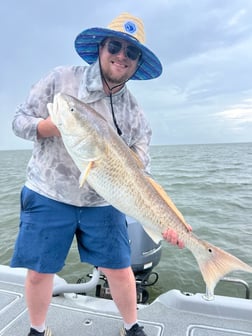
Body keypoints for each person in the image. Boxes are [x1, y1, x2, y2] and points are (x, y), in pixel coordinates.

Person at [11, 13, 186, 336]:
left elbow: (141, 166)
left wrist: (166, 220)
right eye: (115, 46)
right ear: (101, 48)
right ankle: (37, 330)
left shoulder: (134, 112)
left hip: (104, 198)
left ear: (137, 63)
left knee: (120, 270)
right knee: (38, 273)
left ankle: (132, 327)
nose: (122, 55)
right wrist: (47, 128)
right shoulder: (61, 81)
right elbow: (19, 120)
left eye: (131, 52)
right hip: (49, 192)